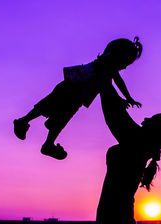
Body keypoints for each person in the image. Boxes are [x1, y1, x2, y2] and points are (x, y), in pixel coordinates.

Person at [13, 37, 143, 160]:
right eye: (125, 62)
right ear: (117, 56)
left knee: (60, 118)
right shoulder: (104, 66)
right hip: (70, 90)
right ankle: (24, 122)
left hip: (77, 97)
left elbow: (114, 82)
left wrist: (127, 98)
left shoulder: (106, 68)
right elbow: (110, 85)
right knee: (48, 106)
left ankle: (47, 143)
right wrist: (123, 99)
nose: (125, 67)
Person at [96, 79, 161, 224]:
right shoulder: (142, 145)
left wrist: (104, 76)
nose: (145, 119)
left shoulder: (138, 143)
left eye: (152, 119)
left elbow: (115, 115)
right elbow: (117, 114)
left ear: (155, 131)